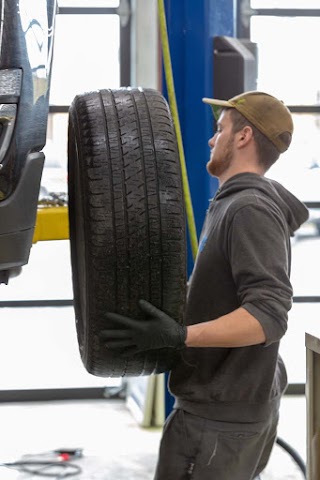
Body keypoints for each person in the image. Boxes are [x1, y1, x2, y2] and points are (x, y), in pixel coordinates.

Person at [101, 91, 309, 480]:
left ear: (243, 137)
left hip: (219, 418)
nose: (213, 140)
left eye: (220, 130)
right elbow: (227, 293)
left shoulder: (250, 209)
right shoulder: (235, 204)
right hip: (223, 406)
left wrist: (181, 336)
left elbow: (268, 316)